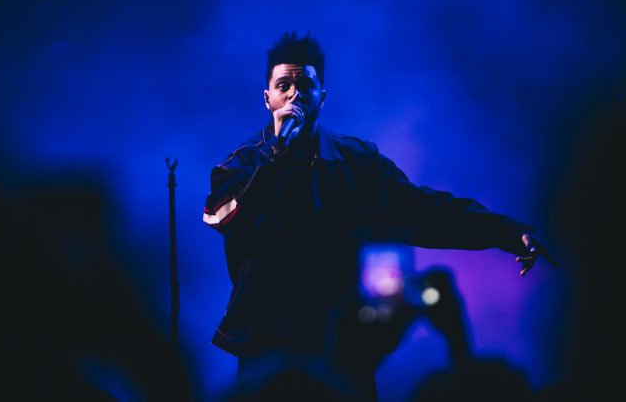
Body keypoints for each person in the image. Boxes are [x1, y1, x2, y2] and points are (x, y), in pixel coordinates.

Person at [202, 31, 556, 401]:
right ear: (268, 98)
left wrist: (508, 232)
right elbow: (220, 217)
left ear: (322, 95)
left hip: (342, 343)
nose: (294, 94)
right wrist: (275, 156)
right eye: (283, 85)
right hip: (266, 343)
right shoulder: (244, 163)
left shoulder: (358, 162)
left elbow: (424, 210)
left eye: (305, 84)